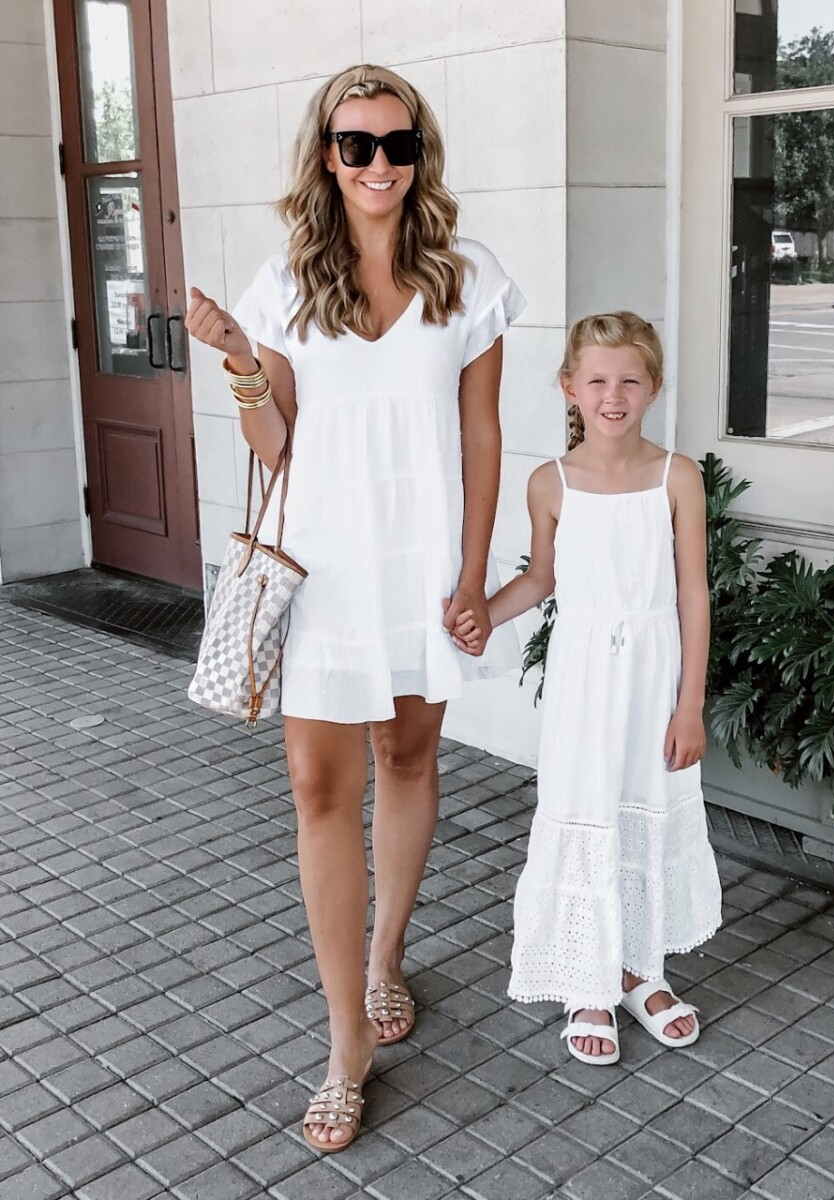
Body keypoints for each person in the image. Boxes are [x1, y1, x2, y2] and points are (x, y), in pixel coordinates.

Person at [185, 64, 523, 1148]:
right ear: (324, 156)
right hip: (324, 569)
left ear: (419, 153)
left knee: (408, 761)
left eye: (396, 144)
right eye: (355, 144)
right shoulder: (284, 278)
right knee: (315, 786)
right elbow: (276, 446)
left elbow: (481, 438)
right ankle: (345, 1044)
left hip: (420, 565)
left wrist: (473, 573)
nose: (377, 164)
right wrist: (241, 360)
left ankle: (386, 958)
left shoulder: (467, 278)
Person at [452, 312, 722, 1064]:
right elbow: (540, 579)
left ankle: (641, 972)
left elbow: (693, 593)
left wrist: (689, 702)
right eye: (596, 380)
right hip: (582, 681)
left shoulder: (677, 477)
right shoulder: (551, 482)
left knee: (646, 809)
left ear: (653, 387)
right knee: (583, 808)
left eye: (629, 380)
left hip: (653, 676)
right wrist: (478, 613)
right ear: (568, 387)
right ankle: (586, 981)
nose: (613, 395)